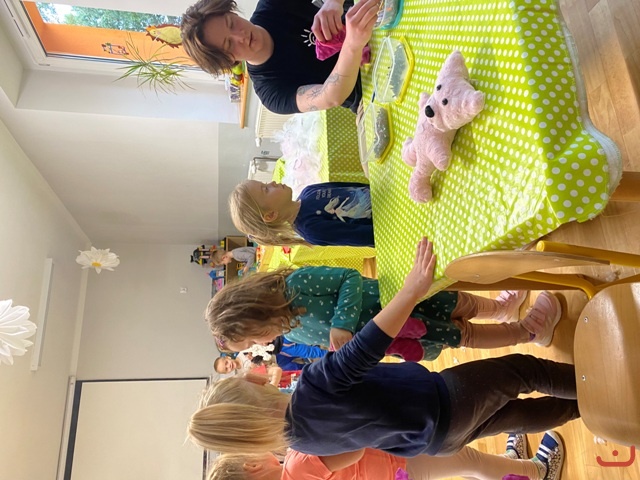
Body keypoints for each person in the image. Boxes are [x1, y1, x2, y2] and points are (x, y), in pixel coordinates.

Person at [190, 238, 575, 480]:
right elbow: (365, 348)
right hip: (446, 401)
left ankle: (582, 406)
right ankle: (594, 387)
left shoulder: (302, 441)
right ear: (252, 392)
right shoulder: (311, 389)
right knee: (525, 371)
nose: (247, 371)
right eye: (239, 381)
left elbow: (355, 450)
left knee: (516, 417)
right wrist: (410, 291)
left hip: (436, 439)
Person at [205, 259, 561, 361]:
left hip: (396, 300)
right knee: (461, 335)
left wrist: (342, 324)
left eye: (252, 338)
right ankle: (527, 332)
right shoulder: (289, 331)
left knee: (458, 302)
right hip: (396, 331)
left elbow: (349, 278)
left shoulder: (297, 284)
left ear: (255, 312)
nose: (260, 344)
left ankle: (500, 308)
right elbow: (331, 346)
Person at [181, 0, 379, 115]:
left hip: (375, 31)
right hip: (370, 93)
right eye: (229, 44)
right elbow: (330, 97)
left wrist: (333, 3)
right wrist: (352, 46)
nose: (241, 36)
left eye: (231, 23)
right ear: (229, 60)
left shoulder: (273, 4)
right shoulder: (269, 90)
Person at [202, 431, 564, 480]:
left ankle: (512, 462)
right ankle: (537, 471)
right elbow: (356, 446)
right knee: (465, 458)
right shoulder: (298, 463)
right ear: (252, 464)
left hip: (393, 474)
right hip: (396, 461)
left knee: (462, 461)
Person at [229, 179, 374, 247]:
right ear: (271, 215)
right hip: (385, 225)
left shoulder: (308, 190)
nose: (272, 182)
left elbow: (353, 186)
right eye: (266, 189)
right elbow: (361, 236)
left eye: (265, 183)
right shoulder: (310, 229)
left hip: (384, 198)